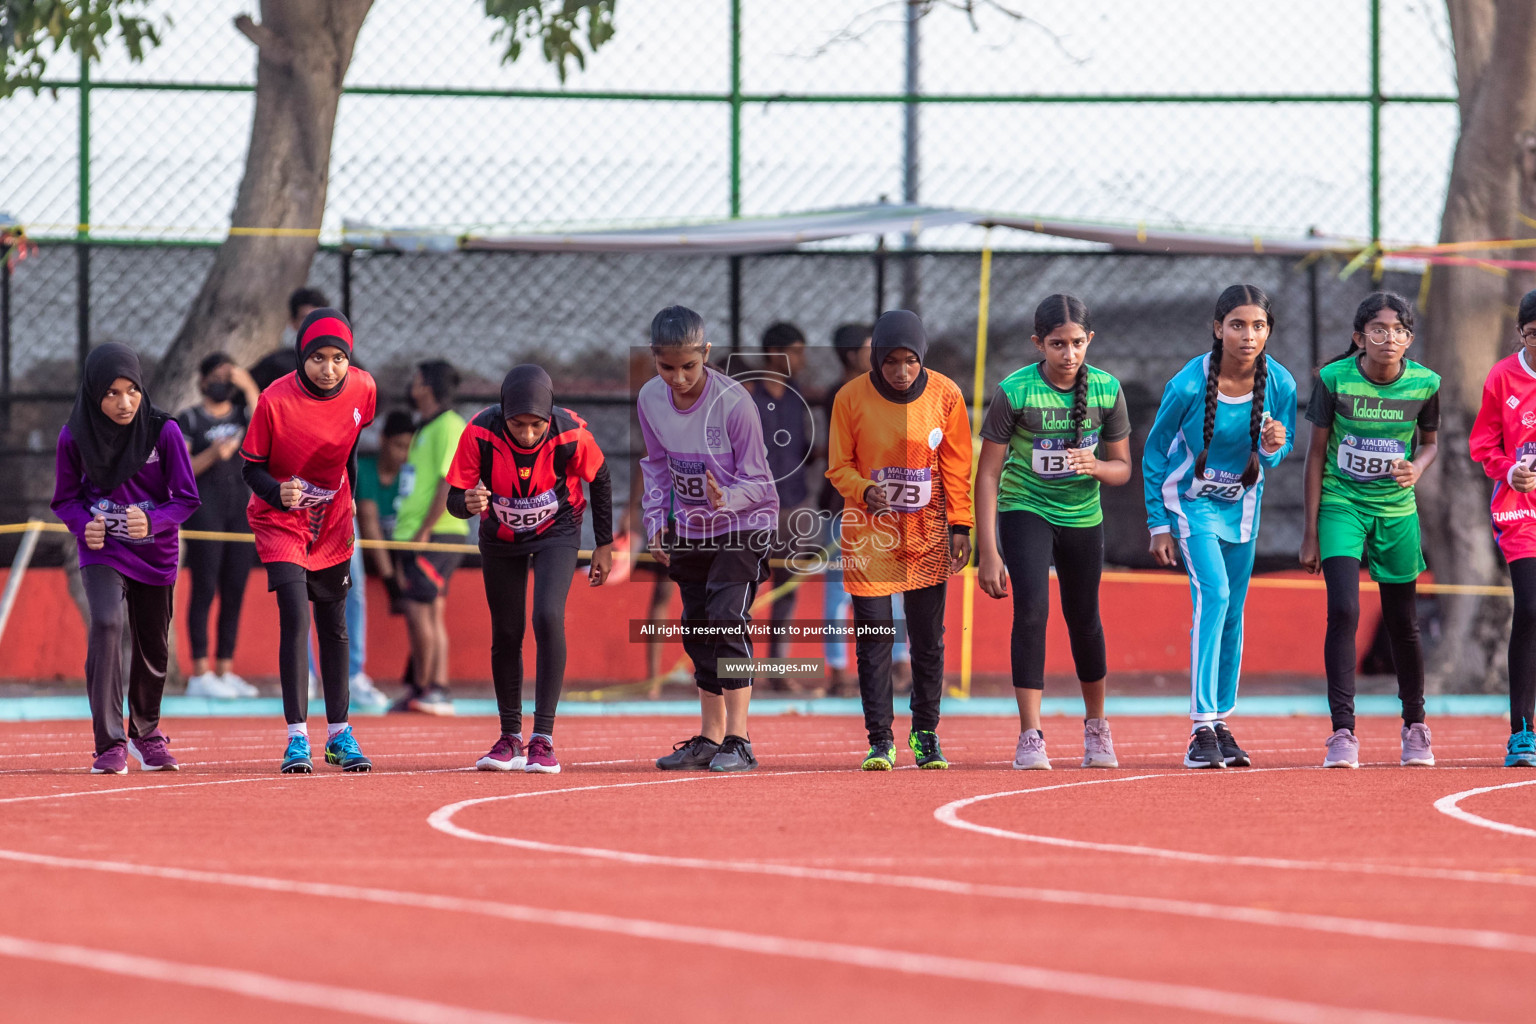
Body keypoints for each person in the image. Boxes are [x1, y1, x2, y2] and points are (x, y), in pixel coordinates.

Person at [1143, 284, 1296, 769]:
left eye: (1258, 326)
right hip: (1191, 507)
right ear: (1218, 329)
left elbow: (1277, 452)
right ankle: (1199, 728)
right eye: (1237, 325)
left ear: (1268, 331)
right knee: (1215, 597)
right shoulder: (1188, 384)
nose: (1248, 335)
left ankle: (1221, 720)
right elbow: (1153, 453)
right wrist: (1157, 524)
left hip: (1242, 510)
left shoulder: (1281, 385)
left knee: (1234, 612)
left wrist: (1275, 443)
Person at [976, 295, 1132, 770]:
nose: (1068, 354)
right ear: (1038, 343)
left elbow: (1123, 469)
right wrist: (988, 551)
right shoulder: (1015, 391)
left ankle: (1097, 727)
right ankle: (1031, 734)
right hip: (1026, 509)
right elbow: (987, 474)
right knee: (1032, 612)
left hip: (1083, 516)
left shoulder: (1107, 390)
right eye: (1058, 344)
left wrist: (1097, 466)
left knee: (1084, 617)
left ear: (1090, 341)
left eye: (1077, 343)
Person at [447, 365, 614, 773]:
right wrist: (466, 504)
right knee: (507, 629)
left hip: (557, 531)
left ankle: (543, 738)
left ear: (549, 415)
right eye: (516, 424)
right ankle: (509, 736)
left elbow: (601, 477)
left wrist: (604, 544)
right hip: (499, 538)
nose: (526, 434)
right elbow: (455, 498)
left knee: (547, 615)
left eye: (535, 425)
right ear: (502, 413)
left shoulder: (570, 434)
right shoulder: (479, 433)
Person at [826, 309, 973, 771]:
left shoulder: (946, 395)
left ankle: (926, 734)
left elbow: (956, 468)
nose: (902, 371)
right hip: (871, 537)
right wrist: (866, 490)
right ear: (876, 359)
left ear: (922, 357)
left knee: (928, 639)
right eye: (891, 361)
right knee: (874, 637)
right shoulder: (850, 398)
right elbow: (837, 466)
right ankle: (880, 739)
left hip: (928, 536)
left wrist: (961, 527)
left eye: (910, 360)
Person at [1300, 292, 1439, 769]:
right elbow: (1316, 454)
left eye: (1398, 331)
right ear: (1359, 337)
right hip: (1341, 504)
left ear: (1409, 339)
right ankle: (1343, 732)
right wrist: (1310, 532)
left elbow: (1431, 444)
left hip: (1397, 511)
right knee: (1343, 609)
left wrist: (1417, 467)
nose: (1388, 338)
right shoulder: (1333, 380)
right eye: (1378, 330)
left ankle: (1415, 726)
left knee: (1404, 621)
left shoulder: (1425, 383)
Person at [639, 306, 778, 772]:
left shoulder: (735, 403)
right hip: (692, 528)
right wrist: (656, 519)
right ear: (654, 360)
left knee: (725, 617)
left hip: (744, 523)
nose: (677, 378)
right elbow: (656, 464)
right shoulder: (650, 400)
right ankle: (709, 737)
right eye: (666, 367)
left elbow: (762, 482)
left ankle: (739, 741)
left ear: (707, 354)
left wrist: (729, 496)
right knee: (698, 625)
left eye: (688, 367)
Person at [52, 344, 200, 773]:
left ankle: (146, 733)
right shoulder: (74, 436)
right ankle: (110, 743)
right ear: (94, 394)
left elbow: (187, 498)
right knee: (106, 623)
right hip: (103, 551)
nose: (124, 402)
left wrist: (153, 521)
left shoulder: (163, 432)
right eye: (111, 393)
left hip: (155, 554)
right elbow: (65, 500)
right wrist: (84, 524)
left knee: (152, 645)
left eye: (132, 390)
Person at [241, 307, 377, 773]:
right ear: (302, 357)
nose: (329, 368)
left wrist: (353, 495)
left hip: (334, 517)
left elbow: (352, 444)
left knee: (334, 624)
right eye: (318, 357)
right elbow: (250, 467)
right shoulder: (274, 401)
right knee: (296, 616)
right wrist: (277, 490)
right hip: (280, 519)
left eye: (338, 357)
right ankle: (296, 737)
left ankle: (340, 735)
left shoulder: (364, 388)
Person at [1469, 287, 1536, 768]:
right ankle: (1522, 731)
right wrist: (1509, 469)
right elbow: (1482, 444)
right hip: (1521, 512)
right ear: (1520, 332)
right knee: (1530, 609)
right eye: (1534, 335)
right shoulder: (1503, 376)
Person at [177, 353, 262, 698]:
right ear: (201, 381)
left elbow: (266, 427)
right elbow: (181, 470)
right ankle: (200, 672)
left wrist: (249, 386)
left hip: (240, 512)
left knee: (235, 589)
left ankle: (225, 669)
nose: (222, 382)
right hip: (205, 514)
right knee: (205, 587)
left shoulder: (244, 416)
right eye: (216, 376)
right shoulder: (190, 420)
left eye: (228, 376)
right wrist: (213, 453)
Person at [388, 360, 470, 714]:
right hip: (415, 534)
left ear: (429, 387)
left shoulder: (450, 426)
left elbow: (448, 480)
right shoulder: (425, 427)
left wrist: (424, 529)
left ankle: (433, 686)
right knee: (425, 609)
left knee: (423, 610)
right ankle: (423, 685)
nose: (412, 387)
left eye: (417, 381)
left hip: (436, 533)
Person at [742, 322, 817, 688]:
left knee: (787, 588)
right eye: (797, 351)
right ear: (775, 353)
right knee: (746, 586)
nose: (802, 359)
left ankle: (778, 669)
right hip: (755, 508)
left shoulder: (794, 393)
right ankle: (741, 667)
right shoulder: (747, 393)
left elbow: (800, 446)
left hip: (793, 504)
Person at [357, 410, 415, 607]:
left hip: (398, 552)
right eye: (399, 446)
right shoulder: (364, 470)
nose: (404, 454)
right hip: (365, 554)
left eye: (409, 448)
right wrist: (392, 580)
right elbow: (368, 520)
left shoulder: (410, 476)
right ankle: (393, 585)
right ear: (383, 440)